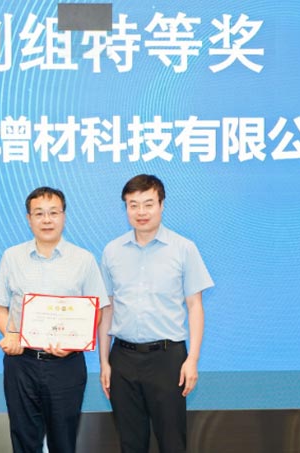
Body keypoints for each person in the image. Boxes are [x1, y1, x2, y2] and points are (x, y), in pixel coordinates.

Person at [98, 174, 214, 453]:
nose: (141, 212)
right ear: (125, 208)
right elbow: (108, 309)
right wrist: (104, 362)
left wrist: (192, 359)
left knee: (172, 442)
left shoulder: (184, 248)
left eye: (148, 204)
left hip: (168, 359)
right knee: (130, 442)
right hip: (122, 358)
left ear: (162, 205)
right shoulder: (112, 251)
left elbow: (195, 306)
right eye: (133, 205)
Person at [0, 186, 108, 453]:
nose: (47, 220)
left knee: (63, 441)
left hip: (66, 365)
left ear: (64, 216)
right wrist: (11, 335)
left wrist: (73, 343)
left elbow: (96, 311)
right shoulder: (12, 257)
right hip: (22, 363)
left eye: (53, 213)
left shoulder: (83, 259)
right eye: (39, 213)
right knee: (24, 439)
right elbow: (0, 308)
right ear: (29, 218)